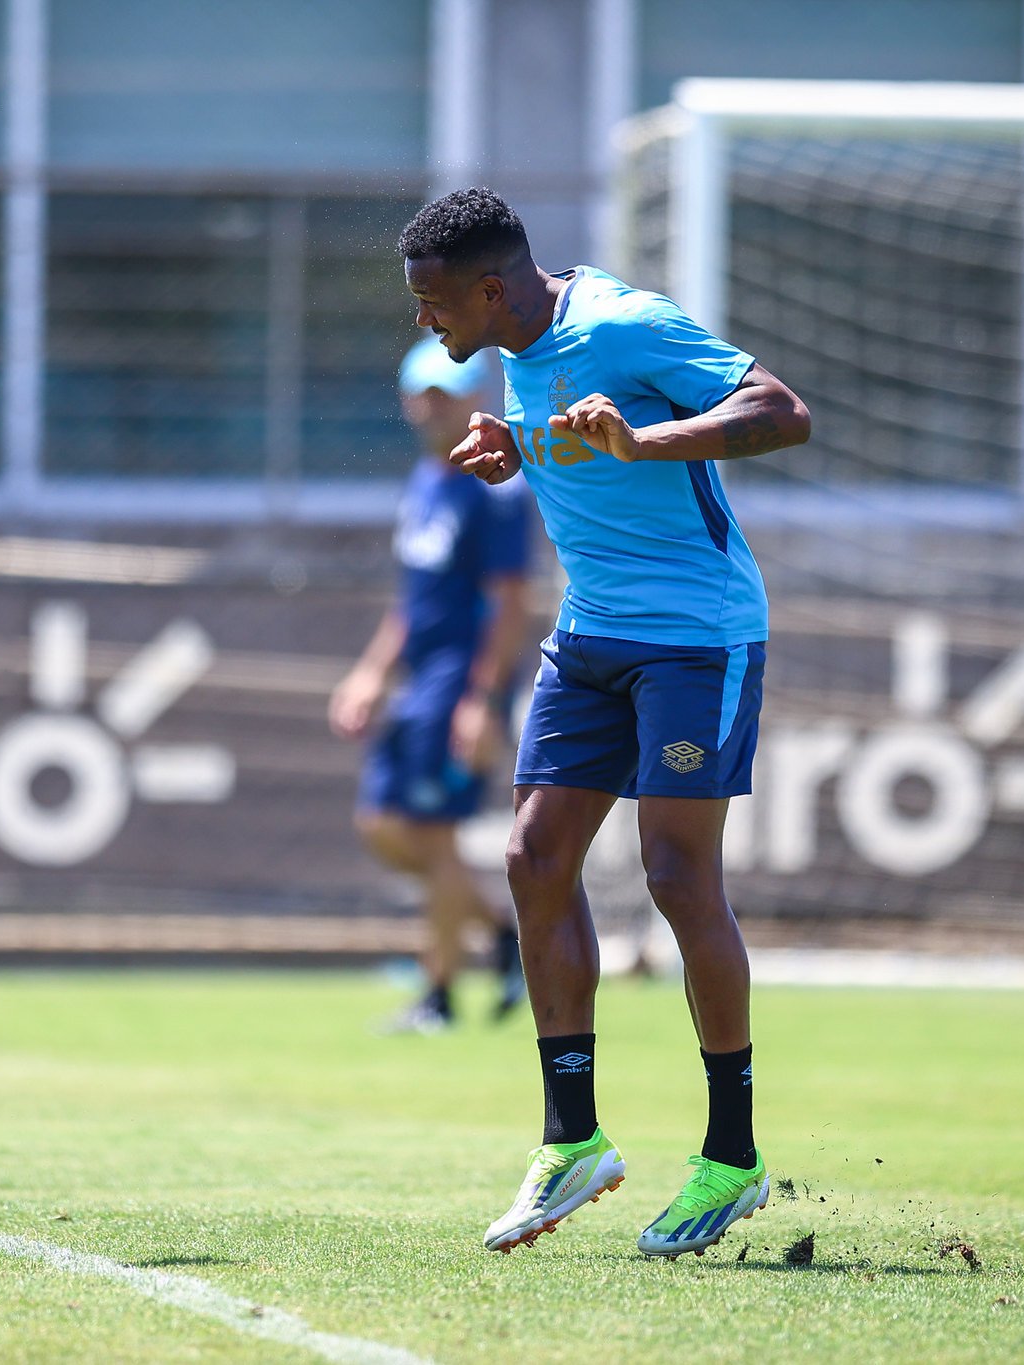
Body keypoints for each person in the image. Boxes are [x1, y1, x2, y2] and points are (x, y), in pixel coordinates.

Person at [396, 188, 810, 1257]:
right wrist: (517, 444)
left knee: (676, 877)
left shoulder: (622, 324)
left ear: (489, 289)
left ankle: (730, 1158)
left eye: (432, 301)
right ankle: (571, 1140)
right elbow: (572, 431)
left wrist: (643, 441)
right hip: (589, 640)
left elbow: (780, 410)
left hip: (694, 637)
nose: (423, 321)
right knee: (534, 859)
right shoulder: (511, 350)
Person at [330, 337, 533, 1034]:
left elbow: (510, 602)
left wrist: (480, 700)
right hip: (419, 684)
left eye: (443, 395)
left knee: (433, 838)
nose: (429, 407)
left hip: (457, 686)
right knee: (383, 828)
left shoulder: (494, 485)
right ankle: (507, 939)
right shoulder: (425, 482)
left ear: (474, 395)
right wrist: (371, 672)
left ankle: (438, 996)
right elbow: (410, 603)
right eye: (422, 393)